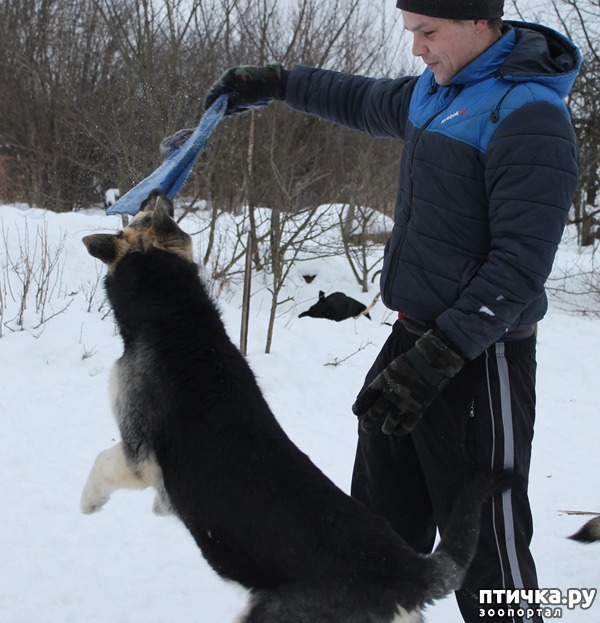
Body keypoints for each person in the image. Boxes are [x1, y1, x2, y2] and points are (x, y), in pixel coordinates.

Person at [201, 1, 581, 621]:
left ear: (480, 23)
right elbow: (356, 97)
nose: (417, 49)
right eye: (411, 33)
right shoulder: (438, 92)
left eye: (428, 32)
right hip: (411, 346)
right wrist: (277, 82)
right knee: (376, 528)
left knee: (486, 548)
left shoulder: (530, 116)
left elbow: (518, 268)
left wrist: (441, 355)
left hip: (480, 360)